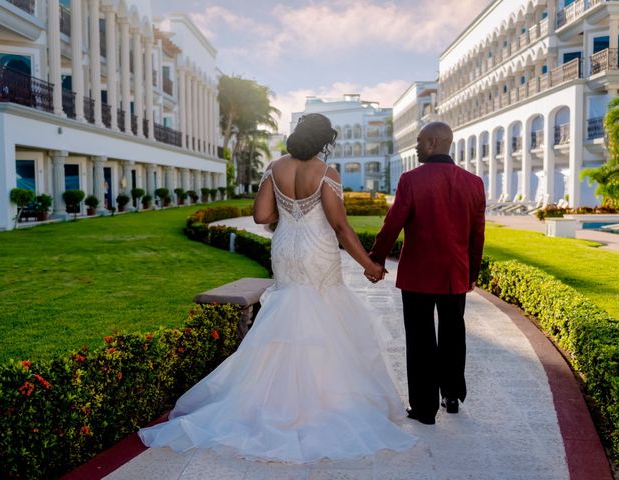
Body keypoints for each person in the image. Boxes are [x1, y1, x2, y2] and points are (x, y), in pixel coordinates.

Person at [138, 113, 417, 463]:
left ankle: (272, 400)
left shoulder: (275, 167)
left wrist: (288, 216)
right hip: (317, 250)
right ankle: (321, 402)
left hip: (286, 246)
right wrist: (371, 266)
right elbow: (342, 227)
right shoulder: (326, 173)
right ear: (323, 141)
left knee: (287, 313)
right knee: (323, 312)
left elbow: (260, 215)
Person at [369, 122, 486, 426]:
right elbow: (477, 235)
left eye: (420, 142)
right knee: (453, 333)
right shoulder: (474, 183)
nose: (417, 147)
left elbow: (392, 224)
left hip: (419, 274)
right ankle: (451, 395)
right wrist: (472, 272)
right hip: (454, 274)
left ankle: (423, 409)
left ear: (434, 142)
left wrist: (376, 260)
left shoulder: (411, 180)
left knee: (420, 338)